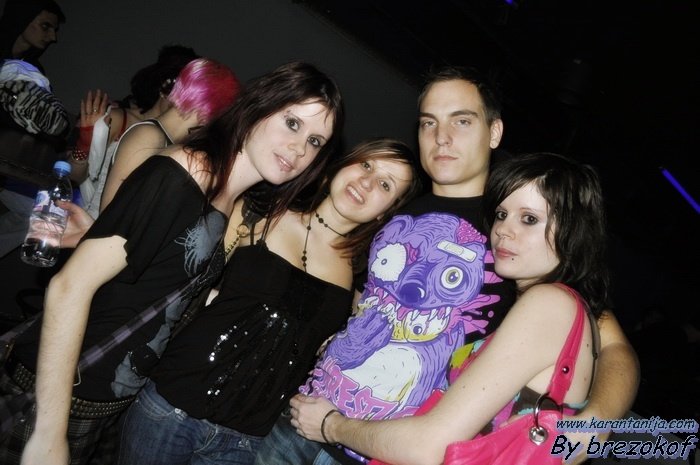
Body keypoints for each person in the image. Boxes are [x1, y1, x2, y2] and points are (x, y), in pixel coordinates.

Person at [254, 65, 639, 465]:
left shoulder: (514, 228)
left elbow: (612, 346)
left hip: (378, 450)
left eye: (462, 121)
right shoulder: (397, 204)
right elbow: (364, 298)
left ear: (494, 132)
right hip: (300, 416)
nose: (441, 137)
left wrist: (595, 422)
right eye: (428, 123)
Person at [0, 61, 344, 465]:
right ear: (258, 107)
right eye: (292, 123)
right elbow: (68, 288)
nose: (299, 148)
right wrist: (48, 432)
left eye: (315, 141)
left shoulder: (225, 196)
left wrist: (103, 230)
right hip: (55, 394)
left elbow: (158, 276)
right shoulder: (188, 171)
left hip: (106, 399)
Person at [117, 138, 422, 465]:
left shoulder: (365, 277)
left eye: (385, 184)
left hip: (245, 442)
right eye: (366, 165)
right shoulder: (258, 213)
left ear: (386, 211)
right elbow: (178, 282)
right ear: (343, 165)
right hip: (170, 409)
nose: (367, 182)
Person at [291, 152, 607, 465]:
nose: (503, 230)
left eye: (529, 219)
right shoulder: (567, 309)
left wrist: (331, 425)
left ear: (572, 230)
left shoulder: (549, 305)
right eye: (501, 214)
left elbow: (429, 446)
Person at [68, 45, 201, 218]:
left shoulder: (182, 142)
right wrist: (84, 144)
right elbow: (74, 176)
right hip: (94, 220)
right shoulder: (120, 119)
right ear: (165, 88)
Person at [0, 0, 65, 73]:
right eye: (45, 26)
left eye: (54, 30)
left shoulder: (34, 69)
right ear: (22, 19)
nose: (53, 37)